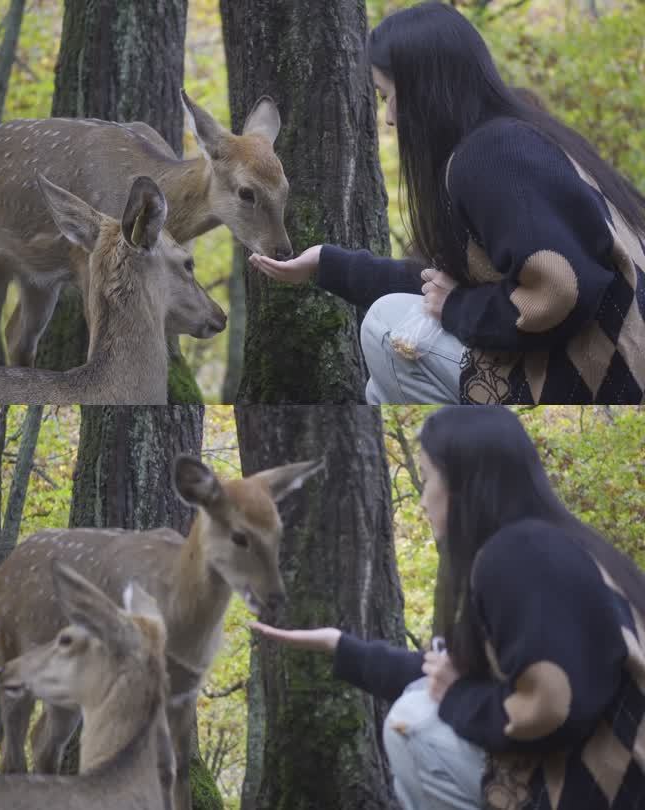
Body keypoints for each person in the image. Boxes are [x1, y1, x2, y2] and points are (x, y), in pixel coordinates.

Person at [248, 1, 645, 405]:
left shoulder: (494, 153)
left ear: (425, 90)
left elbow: (559, 291)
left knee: (387, 326)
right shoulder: (522, 138)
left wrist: (457, 307)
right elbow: (438, 285)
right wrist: (325, 263)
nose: (388, 117)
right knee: (379, 385)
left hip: (600, 381)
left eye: (389, 96)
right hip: (600, 371)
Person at [252, 406, 645, 809]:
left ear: (462, 484)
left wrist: (457, 696)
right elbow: (452, 673)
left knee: (414, 723)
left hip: (608, 792)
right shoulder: (569, 547)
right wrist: (342, 647)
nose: (423, 500)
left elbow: (552, 708)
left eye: (427, 479)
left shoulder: (519, 553)